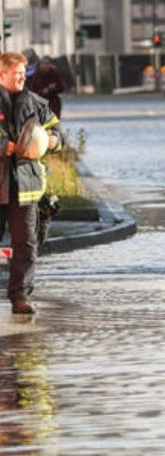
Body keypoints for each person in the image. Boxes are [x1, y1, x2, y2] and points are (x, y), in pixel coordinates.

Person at [0, 52, 63, 315]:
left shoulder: (36, 103)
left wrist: (52, 141)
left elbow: (57, 134)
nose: (20, 78)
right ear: (1, 74)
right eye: (15, 73)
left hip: (26, 186)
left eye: (23, 73)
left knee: (25, 244)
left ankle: (20, 296)